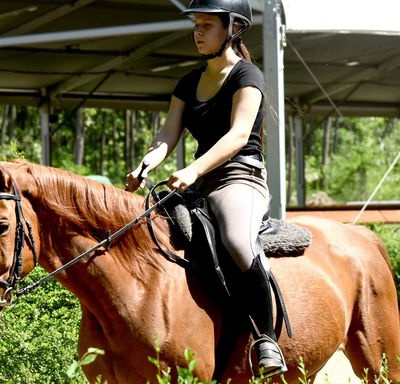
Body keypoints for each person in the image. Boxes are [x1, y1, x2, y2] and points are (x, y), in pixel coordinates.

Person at [123, 0, 286, 378]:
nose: (198, 31)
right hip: (195, 182)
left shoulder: (248, 75)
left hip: (239, 179)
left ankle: (265, 339)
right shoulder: (187, 82)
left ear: (234, 28)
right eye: (196, 24)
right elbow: (167, 134)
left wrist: (193, 170)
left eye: (207, 24)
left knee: (237, 241)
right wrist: (146, 164)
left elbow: (238, 135)